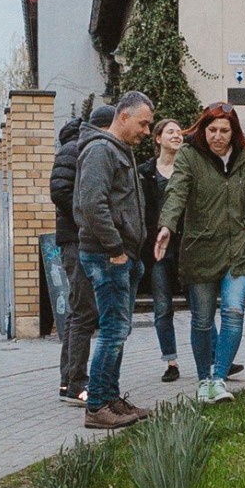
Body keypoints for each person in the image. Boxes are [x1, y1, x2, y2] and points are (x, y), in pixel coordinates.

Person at [154, 102, 245, 404]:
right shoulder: (190, 157)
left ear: (234, 132)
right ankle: (204, 378)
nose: (218, 136)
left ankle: (218, 378)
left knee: (233, 311)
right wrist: (167, 226)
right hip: (200, 251)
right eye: (212, 129)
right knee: (203, 321)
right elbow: (176, 192)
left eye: (224, 130)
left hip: (239, 251)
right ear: (203, 130)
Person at [73, 91, 155, 430]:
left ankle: (110, 398)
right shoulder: (101, 151)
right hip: (109, 257)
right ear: (123, 117)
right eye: (144, 123)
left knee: (118, 330)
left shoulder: (119, 151)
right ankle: (97, 406)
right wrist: (116, 249)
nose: (147, 131)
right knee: (111, 331)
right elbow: (92, 205)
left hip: (122, 256)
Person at [51, 106, 113, 407]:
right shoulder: (74, 150)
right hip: (75, 240)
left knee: (80, 311)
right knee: (84, 311)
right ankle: (75, 381)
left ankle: (69, 380)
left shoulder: (78, 148)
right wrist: (86, 218)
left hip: (76, 238)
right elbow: (60, 191)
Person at [138, 118, 186, 382]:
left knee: (200, 303)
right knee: (162, 306)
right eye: (170, 132)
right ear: (158, 138)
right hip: (157, 250)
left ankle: (216, 356)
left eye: (179, 132)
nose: (177, 136)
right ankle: (171, 362)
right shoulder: (146, 172)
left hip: (187, 247)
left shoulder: (189, 169)